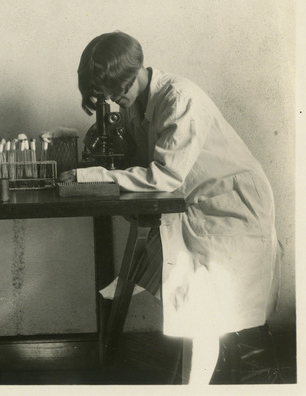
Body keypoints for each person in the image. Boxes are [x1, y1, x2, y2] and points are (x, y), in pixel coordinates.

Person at [59, 31, 278, 385]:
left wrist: (93, 176)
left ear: (136, 73)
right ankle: (210, 372)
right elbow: (141, 159)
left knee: (220, 307)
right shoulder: (137, 105)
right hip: (195, 206)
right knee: (191, 298)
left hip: (231, 206)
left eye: (117, 93)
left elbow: (164, 175)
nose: (115, 101)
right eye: (108, 97)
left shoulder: (180, 98)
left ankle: (248, 374)